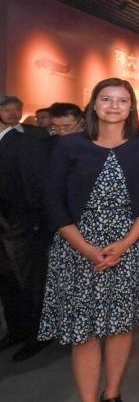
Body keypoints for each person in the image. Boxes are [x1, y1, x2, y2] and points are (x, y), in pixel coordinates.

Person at [37, 78, 139, 402]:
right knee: (85, 333)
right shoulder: (69, 145)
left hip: (132, 244)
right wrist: (87, 249)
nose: (113, 106)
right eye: (106, 99)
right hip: (78, 246)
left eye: (121, 100)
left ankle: (112, 396)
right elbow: (53, 200)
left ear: (131, 107)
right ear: (93, 104)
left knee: (120, 326)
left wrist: (124, 245)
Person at [0, 96, 50, 362]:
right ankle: (17, 330)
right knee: (7, 282)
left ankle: (38, 335)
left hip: (22, 224)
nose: (11, 112)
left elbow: (36, 184)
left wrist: (36, 222)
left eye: (15, 108)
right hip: (5, 225)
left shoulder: (26, 141)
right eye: (5, 108)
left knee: (30, 282)